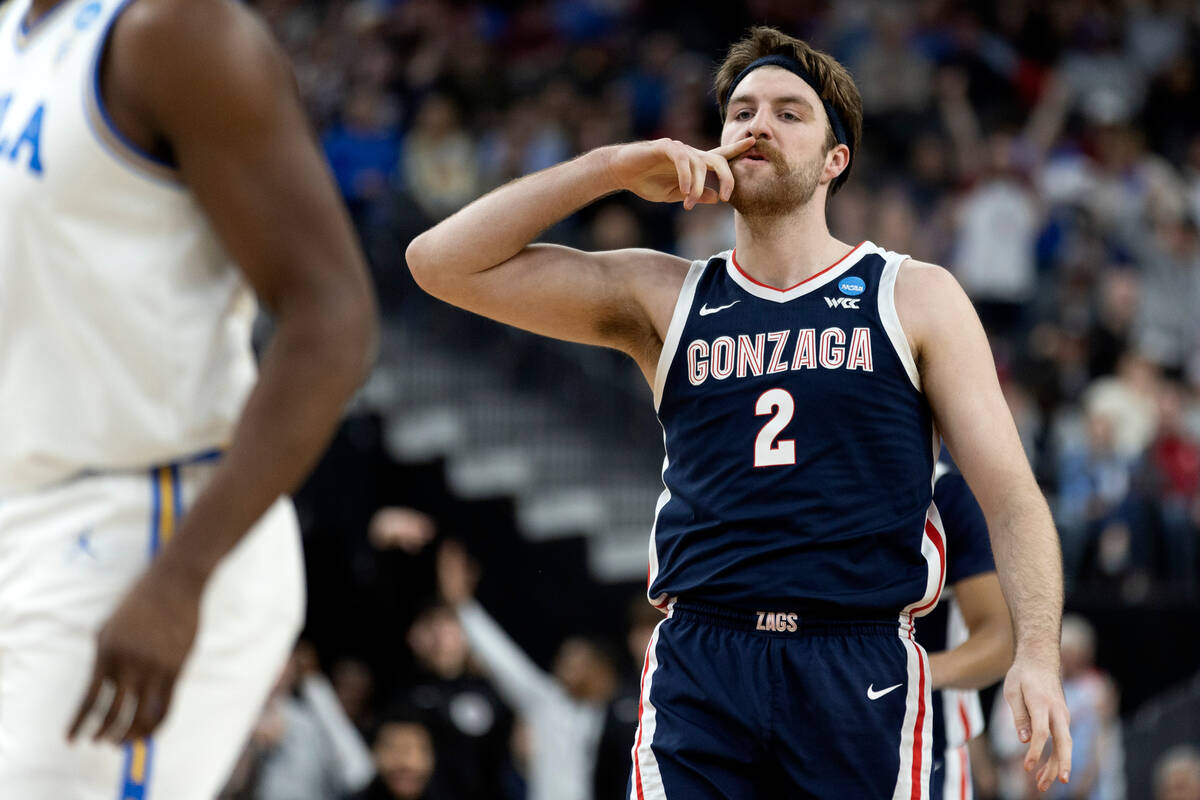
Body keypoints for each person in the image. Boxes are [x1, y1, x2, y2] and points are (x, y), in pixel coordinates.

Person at [406, 25, 1070, 797]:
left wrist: (1039, 653)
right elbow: (438, 262)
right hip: (702, 656)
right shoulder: (663, 294)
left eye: (790, 113)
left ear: (835, 161)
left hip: (855, 661)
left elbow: (1012, 498)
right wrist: (612, 167)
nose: (758, 124)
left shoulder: (912, 294)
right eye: (742, 111)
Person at [0, 0, 377, 797]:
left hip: (145, 525)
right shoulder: (17, 36)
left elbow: (335, 317)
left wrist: (181, 578)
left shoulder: (174, 30)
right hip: (24, 511)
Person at [436, 540, 617, 800]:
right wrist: (464, 607)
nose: (564, 667)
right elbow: (503, 660)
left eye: (577, 662)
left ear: (601, 670)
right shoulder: (548, 702)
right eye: (563, 660)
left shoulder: (619, 715)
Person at [922, 458, 1015, 800]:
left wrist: (912, 673)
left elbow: (1001, 639)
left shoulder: (947, 494)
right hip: (827, 727)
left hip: (932, 740)